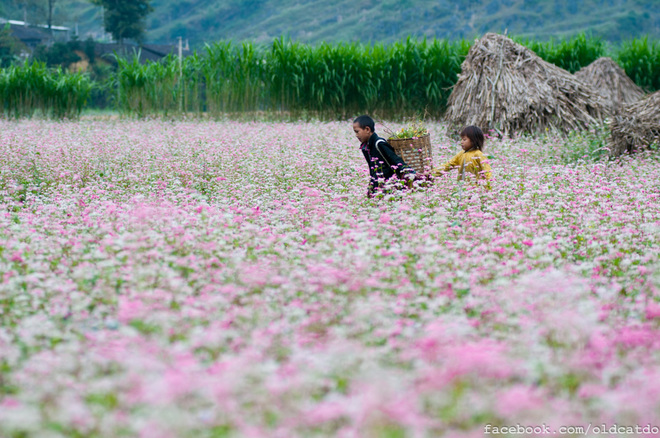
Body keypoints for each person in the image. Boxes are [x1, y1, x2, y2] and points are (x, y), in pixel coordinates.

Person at [353, 115, 415, 197]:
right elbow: (373, 170)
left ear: (367, 129)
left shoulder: (379, 143)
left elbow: (395, 160)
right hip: (379, 186)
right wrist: (371, 187)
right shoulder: (366, 147)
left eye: (357, 132)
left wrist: (410, 172)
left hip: (390, 186)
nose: (356, 135)